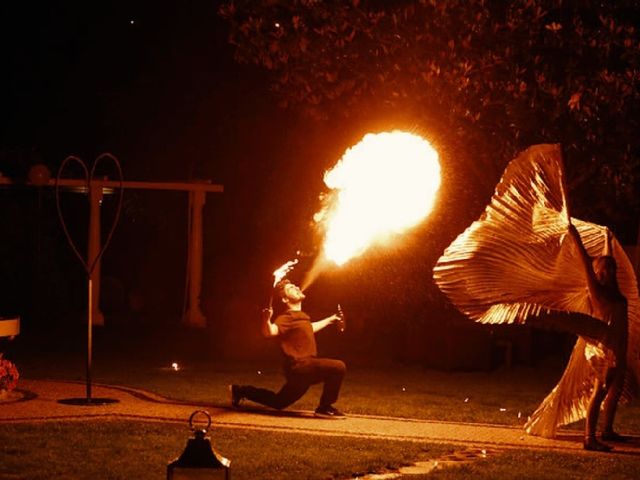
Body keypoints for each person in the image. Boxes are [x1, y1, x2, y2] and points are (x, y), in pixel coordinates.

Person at [229, 279, 347, 418]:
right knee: (338, 367)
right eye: (291, 288)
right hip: (299, 366)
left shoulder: (302, 317)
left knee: (279, 402)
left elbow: (309, 329)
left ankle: (240, 391)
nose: (297, 287)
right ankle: (325, 407)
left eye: (296, 285)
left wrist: (330, 319)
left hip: (306, 370)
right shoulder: (287, 317)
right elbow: (270, 332)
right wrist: (266, 319)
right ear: (285, 299)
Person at [567, 222, 629, 451]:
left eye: (612, 269)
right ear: (599, 273)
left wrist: (607, 240)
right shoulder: (598, 292)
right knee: (600, 390)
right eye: (605, 270)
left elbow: (607, 259)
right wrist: (575, 237)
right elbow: (586, 263)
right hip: (605, 349)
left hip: (618, 347)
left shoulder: (615, 291)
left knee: (614, 389)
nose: (610, 272)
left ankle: (607, 430)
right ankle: (589, 438)